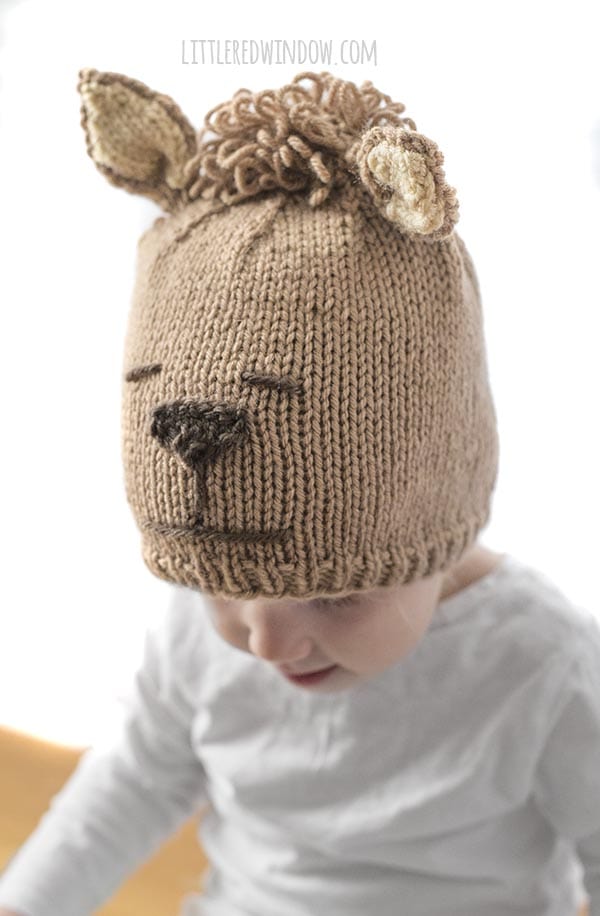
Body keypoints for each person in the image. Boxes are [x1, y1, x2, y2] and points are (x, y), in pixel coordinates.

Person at [0, 68, 598, 916]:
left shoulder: (535, 661)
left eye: (336, 593)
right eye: (218, 585)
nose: (267, 640)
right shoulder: (198, 639)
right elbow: (133, 782)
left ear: (439, 513)